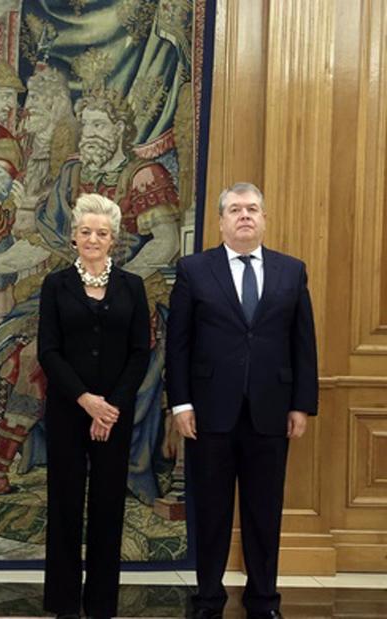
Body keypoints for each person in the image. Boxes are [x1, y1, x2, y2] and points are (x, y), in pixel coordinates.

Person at [166, 182, 318, 619]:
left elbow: (303, 343)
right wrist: (181, 404)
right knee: (211, 511)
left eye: (253, 209)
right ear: (221, 221)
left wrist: (301, 404)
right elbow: (178, 344)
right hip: (209, 412)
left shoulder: (292, 271)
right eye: (235, 209)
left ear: (265, 219)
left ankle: (264, 600)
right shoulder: (195, 270)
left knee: (264, 511)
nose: (245, 216)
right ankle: (208, 598)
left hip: (271, 413)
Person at [38, 193, 150, 619]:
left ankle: (101, 603)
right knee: (65, 505)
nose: (93, 238)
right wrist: (86, 402)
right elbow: (48, 351)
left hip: (115, 416)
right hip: (69, 412)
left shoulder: (132, 287)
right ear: (74, 237)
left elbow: (141, 352)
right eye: (85, 231)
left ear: (113, 239)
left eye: (101, 233)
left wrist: (110, 408)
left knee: (107, 509)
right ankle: (64, 602)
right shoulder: (56, 285)